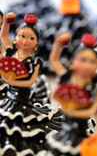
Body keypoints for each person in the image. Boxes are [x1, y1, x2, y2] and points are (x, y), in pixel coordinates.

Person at [0, 13, 63, 155]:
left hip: (22, 98)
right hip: (8, 98)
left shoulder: (34, 62)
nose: (25, 40)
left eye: (31, 38)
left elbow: (30, 81)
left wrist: (10, 81)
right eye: (21, 35)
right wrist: (6, 22)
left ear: (36, 43)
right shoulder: (10, 52)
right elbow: (3, 36)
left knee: (24, 126)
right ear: (16, 37)